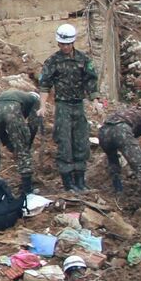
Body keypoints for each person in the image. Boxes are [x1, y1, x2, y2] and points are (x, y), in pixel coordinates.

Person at [38, 24, 99, 192]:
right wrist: (42, 106)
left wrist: (95, 100)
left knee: (81, 142)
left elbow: (91, 80)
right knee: (64, 143)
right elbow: (44, 85)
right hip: (63, 106)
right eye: (62, 44)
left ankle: (80, 181)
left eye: (68, 44)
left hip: (78, 105)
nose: (65, 47)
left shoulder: (83, 59)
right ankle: (68, 183)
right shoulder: (52, 61)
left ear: (73, 43)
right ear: (58, 44)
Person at [98, 103, 141, 211]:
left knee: (113, 162)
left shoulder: (129, 112)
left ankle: (118, 191)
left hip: (103, 132)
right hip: (120, 131)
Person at [0, 89, 43, 199]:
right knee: (23, 151)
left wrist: (8, 143)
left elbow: (1, 131)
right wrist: (26, 143)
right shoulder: (35, 101)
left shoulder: (19, 95)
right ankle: (27, 190)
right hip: (12, 109)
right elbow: (33, 124)